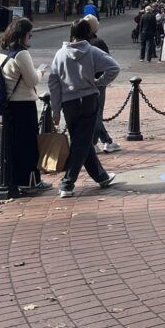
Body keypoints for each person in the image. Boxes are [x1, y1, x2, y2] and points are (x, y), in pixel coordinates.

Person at [48, 18, 120, 198]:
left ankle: (101, 176)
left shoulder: (60, 54)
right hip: (88, 99)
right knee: (82, 142)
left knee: (82, 140)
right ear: (88, 33)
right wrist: (99, 83)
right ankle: (67, 182)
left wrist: (55, 110)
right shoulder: (93, 52)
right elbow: (114, 67)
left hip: (69, 103)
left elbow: (54, 83)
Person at [0, 17, 51, 194]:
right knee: (28, 145)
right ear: (23, 35)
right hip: (23, 104)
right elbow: (32, 80)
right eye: (29, 35)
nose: (30, 38)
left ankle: (12, 179)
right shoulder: (21, 54)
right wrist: (40, 72)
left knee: (12, 144)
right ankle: (30, 181)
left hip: (5, 104)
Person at [83, 14, 121, 155]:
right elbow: (110, 65)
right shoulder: (98, 43)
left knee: (92, 113)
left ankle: (107, 141)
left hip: (83, 82)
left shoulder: (80, 42)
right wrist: (102, 80)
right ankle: (93, 144)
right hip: (97, 82)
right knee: (97, 113)